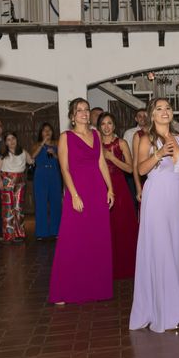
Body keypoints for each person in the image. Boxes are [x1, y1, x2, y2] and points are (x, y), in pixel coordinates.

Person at [130, 98, 179, 333]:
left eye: (167, 108)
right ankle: (165, 311)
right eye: (159, 109)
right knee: (161, 250)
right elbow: (141, 170)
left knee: (176, 249)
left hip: (176, 198)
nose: (164, 112)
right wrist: (159, 153)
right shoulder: (146, 139)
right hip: (155, 198)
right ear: (152, 114)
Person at [49, 98, 115, 305]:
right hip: (77, 192)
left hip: (97, 191)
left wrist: (110, 188)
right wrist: (74, 195)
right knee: (72, 239)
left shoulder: (95, 134)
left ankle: (97, 287)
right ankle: (63, 290)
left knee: (97, 239)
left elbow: (101, 163)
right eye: (79, 111)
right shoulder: (66, 137)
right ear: (72, 115)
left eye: (86, 110)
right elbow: (64, 169)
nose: (84, 113)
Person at [98, 112, 139, 279]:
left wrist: (111, 158)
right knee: (104, 227)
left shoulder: (121, 143)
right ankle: (105, 265)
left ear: (114, 126)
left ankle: (125, 265)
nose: (107, 127)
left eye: (109, 123)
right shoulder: (95, 143)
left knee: (122, 226)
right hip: (99, 186)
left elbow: (130, 169)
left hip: (119, 186)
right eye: (103, 124)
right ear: (99, 127)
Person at [0, 132, 33, 243]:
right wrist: (0, 181)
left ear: (16, 139)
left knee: (18, 208)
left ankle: (19, 234)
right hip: (7, 181)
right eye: (8, 139)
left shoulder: (23, 152)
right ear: (5, 142)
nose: (11, 141)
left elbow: (31, 161)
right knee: (8, 209)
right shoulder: (3, 155)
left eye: (13, 138)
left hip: (20, 182)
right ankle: (8, 235)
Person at [31, 123, 62, 240]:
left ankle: (56, 231)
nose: (47, 132)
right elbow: (32, 156)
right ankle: (41, 232)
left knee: (56, 203)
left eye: (49, 130)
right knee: (41, 204)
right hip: (40, 176)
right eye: (44, 130)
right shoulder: (36, 145)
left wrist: (54, 154)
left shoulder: (57, 144)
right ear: (41, 133)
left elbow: (62, 160)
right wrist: (43, 143)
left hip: (54, 175)